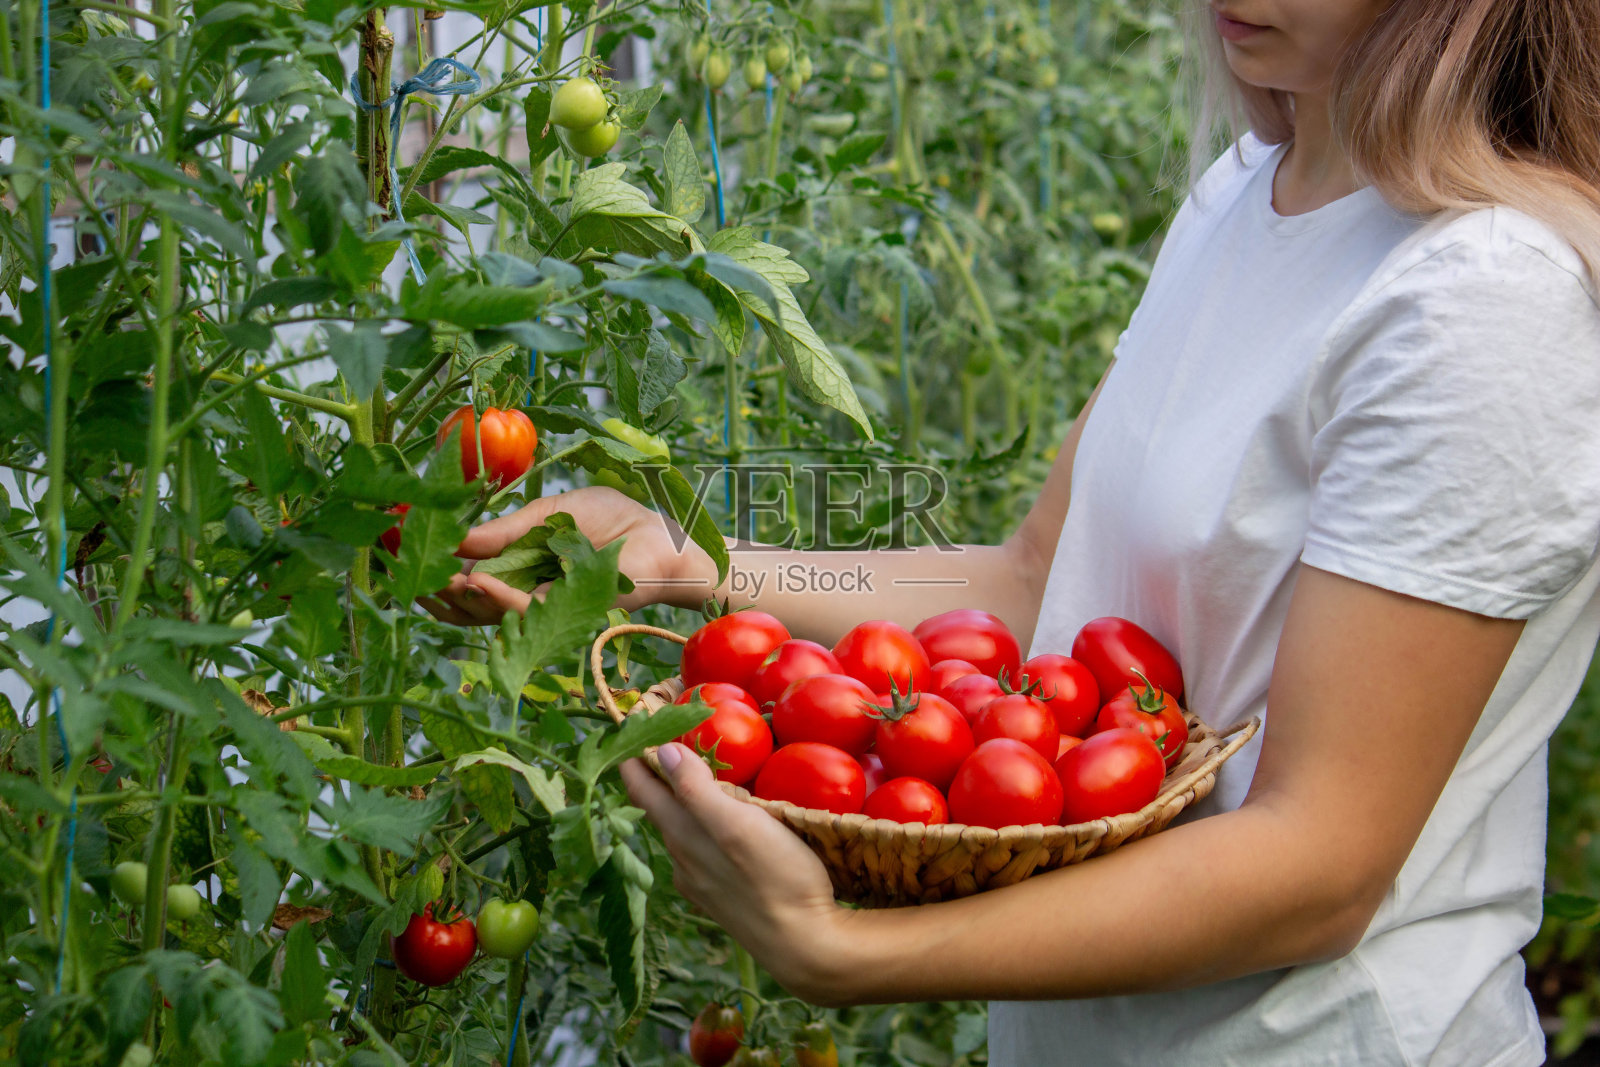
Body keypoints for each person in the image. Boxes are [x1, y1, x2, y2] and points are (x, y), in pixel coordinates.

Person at [425, 2, 1600, 1063]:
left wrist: (846, 954)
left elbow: (1318, 867)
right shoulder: (1250, 189)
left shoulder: (1479, 297)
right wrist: (689, 557)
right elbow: (1043, 579)